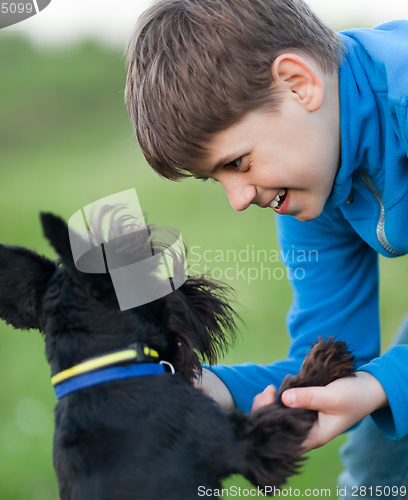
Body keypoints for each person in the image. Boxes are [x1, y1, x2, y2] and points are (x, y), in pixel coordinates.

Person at [125, 0, 408, 496]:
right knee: (377, 460)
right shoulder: (314, 181)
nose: (238, 199)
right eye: (216, 180)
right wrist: (208, 390)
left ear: (299, 83)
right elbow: (335, 354)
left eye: (237, 162)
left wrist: (381, 385)